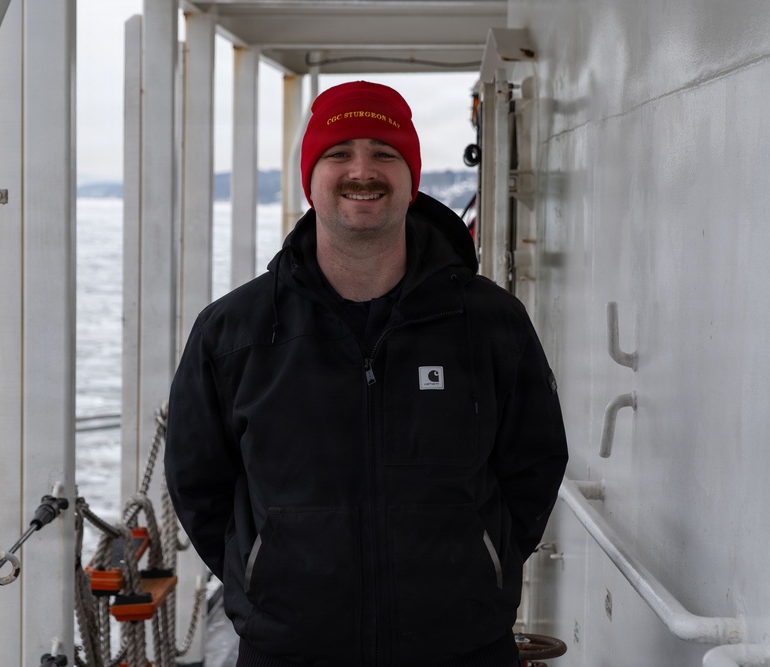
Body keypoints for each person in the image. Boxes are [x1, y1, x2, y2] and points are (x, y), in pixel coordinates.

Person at [165, 81, 568, 667]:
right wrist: (265, 569)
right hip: (288, 651)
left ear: (411, 179)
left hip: (464, 647)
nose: (362, 170)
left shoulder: (489, 322)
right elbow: (198, 483)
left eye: (384, 152)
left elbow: (534, 463)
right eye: (338, 153)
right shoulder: (235, 331)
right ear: (310, 179)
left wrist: (485, 561)